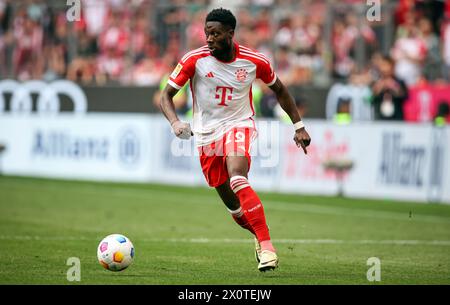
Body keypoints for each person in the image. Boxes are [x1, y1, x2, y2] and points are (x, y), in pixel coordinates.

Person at [160, 8, 311, 272]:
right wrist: (175, 123)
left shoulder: (254, 61)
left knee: (238, 177)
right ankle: (256, 234)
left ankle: (268, 248)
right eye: (207, 33)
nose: (209, 38)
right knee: (234, 208)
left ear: (230, 34)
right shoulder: (194, 60)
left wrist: (298, 126)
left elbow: (281, 90)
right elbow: (166, 96)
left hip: (239, 125)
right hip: (207, 134)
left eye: (215, 34)